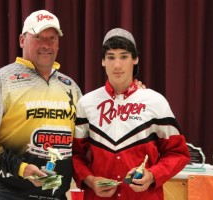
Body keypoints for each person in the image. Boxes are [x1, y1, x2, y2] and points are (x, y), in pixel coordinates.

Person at [0, 10, 82, 200]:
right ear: (21, 40)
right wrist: (22, 169)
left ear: (58, 43)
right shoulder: (0, 81)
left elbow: (82, 141)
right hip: (6, 193)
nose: (46, 44)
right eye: (38, 37)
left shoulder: (70, 87)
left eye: (52, 38)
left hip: (55, 192)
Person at [72, 28, 190, 200]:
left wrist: (152, 175)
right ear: (103, 61)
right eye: (111, 57)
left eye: (124, 56)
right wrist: (90, 181)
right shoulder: (86, 103)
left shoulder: (156, 102)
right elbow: (75, 154)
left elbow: (178, 153)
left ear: (135, 59)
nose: (117, 65)